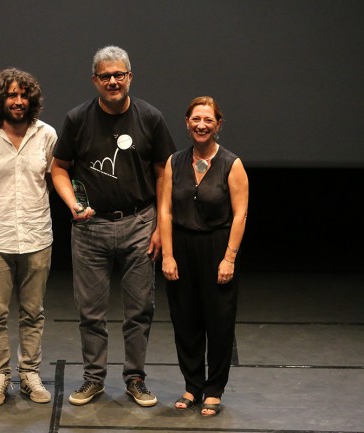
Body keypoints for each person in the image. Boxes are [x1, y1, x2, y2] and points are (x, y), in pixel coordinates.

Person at [51, 45, 176, 407]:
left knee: (139, 310)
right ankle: (93, 379)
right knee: (90, 312)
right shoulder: (78, 118)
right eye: (105, 76)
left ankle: (135, 379)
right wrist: (73, 204)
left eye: (118, 74)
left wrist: (160, 226)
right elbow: (58, 168)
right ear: (95, 80)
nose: (112, 81)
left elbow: (164, 173)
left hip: (140, 224)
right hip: (91, 228)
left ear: (130, 77)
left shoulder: (150, 117)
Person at [0, 68, 56, 407]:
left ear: (32, 99)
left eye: (23, 95)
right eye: (11, 95)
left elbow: (51, 179)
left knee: (33, 312)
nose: (18, 101)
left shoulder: (47, 135)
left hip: (37, 236)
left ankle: (29, 373)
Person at [159, 96, 249, 417]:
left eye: (208, 120)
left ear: (218, 125)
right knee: (185, 321)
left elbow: (240, 215)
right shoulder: (174, 162)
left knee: (219, 322)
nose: (201, 125)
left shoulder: (231, 164)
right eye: (196, 119)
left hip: (216, 247)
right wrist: (168, 255)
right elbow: (165, 210)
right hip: (182, 247)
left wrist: (229, 258)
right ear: (187, 123)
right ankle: (192, 385)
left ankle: (213, 390)